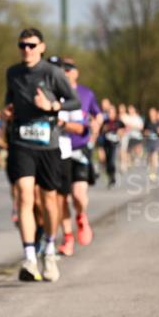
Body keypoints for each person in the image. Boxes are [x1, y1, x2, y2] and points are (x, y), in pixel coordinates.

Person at [4, 29, 80, 283]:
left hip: (48, 143)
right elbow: (9, 101)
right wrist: (8, 112)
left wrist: (52, 106)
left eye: (31, 45)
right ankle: (29, 256)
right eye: (22, 45)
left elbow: (74, 101)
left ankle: (48, 248)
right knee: (25, 196)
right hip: (21, 141)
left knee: (49, 202)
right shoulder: (13, 73)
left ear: (41, 47)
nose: (26, 49)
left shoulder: (52, 73)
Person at [56, 57, 101, 256]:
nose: (65, 72)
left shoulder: (86, 93)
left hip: (80, 148)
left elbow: (98, 114)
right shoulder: (55, 94)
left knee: (78, 195)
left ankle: (81, 217)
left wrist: (96, 128)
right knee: (61, 199)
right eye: (62, 69)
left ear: (76, 72)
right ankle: (67, 238)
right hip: (58, 150)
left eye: (69, 69)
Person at [98, 101, 125, 189]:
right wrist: (104, 130)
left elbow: (124, 129)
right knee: (107, 161)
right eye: (109, 112)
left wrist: (120, 133)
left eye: (112, 112)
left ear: (115, 113)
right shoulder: (105, 122)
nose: (110, 114)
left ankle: (113, 176)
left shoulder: (119, 122)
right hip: (106, 143)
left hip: (115, 144)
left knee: (112, 161)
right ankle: (110, 177)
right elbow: (100, 131)